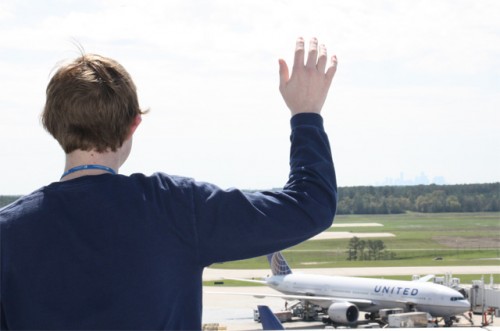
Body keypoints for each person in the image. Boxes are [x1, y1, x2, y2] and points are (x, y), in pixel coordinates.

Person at [0, 37, 338, 330]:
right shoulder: (174, 207)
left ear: (52, 125)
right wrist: (306, 114)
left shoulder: (8, 232)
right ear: (134, 124)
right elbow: (311, 205)